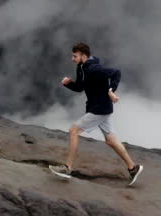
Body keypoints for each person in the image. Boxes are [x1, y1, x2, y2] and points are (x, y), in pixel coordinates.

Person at [50, 42, 143, 185]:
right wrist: (69, 84)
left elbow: (116, 72)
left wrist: (111, 90)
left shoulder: (94, 69)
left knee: (74, 131)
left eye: (75, 56)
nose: (72, 58)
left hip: (99, 109)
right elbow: (80, 87)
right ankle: (133, 168)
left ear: (84, 56)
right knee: (111, 140)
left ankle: (67, 168)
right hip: (100, 108)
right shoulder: (81, 67)